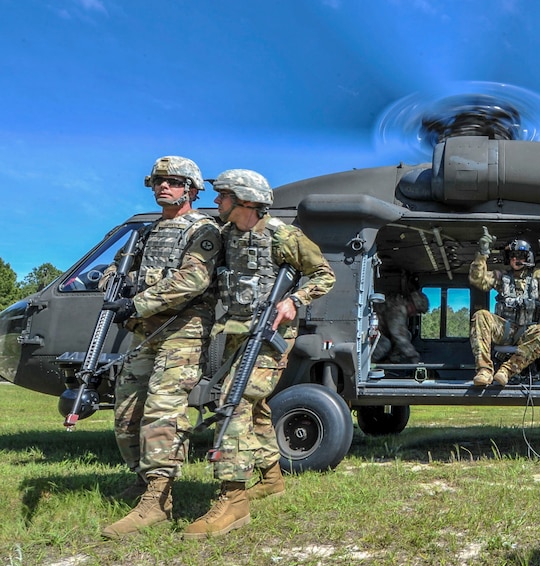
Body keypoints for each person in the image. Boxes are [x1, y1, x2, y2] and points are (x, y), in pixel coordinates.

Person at [181, 169, 335, 539]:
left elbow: (324, 275)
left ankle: (232, 499)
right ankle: (271, 477)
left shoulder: (283, 236)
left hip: (270, 336)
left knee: (234, 403)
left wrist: (293, 301)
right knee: (257, 407)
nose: (216, 202)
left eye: (223, 196)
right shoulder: (223, 235)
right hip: (234, 333)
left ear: (245, 200)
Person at [101, 156, 222, 540]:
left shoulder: (204, 229)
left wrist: (137, 303)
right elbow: (119, 267)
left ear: (190, 188)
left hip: (182, 331)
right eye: (157, 181)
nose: (161, 187)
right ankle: (142, 481)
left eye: (171, 181)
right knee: (127, 410)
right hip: (145, 334)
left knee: (162, 412)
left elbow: (194, 279)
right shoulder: (150, 231)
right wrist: (112, 281)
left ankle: (158, 499)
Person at [468, 229, 540, 387]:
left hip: (528, 332)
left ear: (528, 257)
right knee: (481, 315)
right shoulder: (501, 278)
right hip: (505, 330)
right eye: (512, 256)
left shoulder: (539, 277)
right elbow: (477, 278)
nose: (515, 259)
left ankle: (506, 371)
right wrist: (482, 253)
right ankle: (485, 371)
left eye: (520, 256)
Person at [372, 290, 430, 364]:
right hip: (372, 335)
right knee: (385, 344)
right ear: (413, 305)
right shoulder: (398, 310)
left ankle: (392, 360)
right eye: (417, 311)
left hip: (381, 332)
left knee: (407, 335)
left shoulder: (401, 308)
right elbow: (399, 336)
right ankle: (368, 365)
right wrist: (414, 357)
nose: (415, 314)